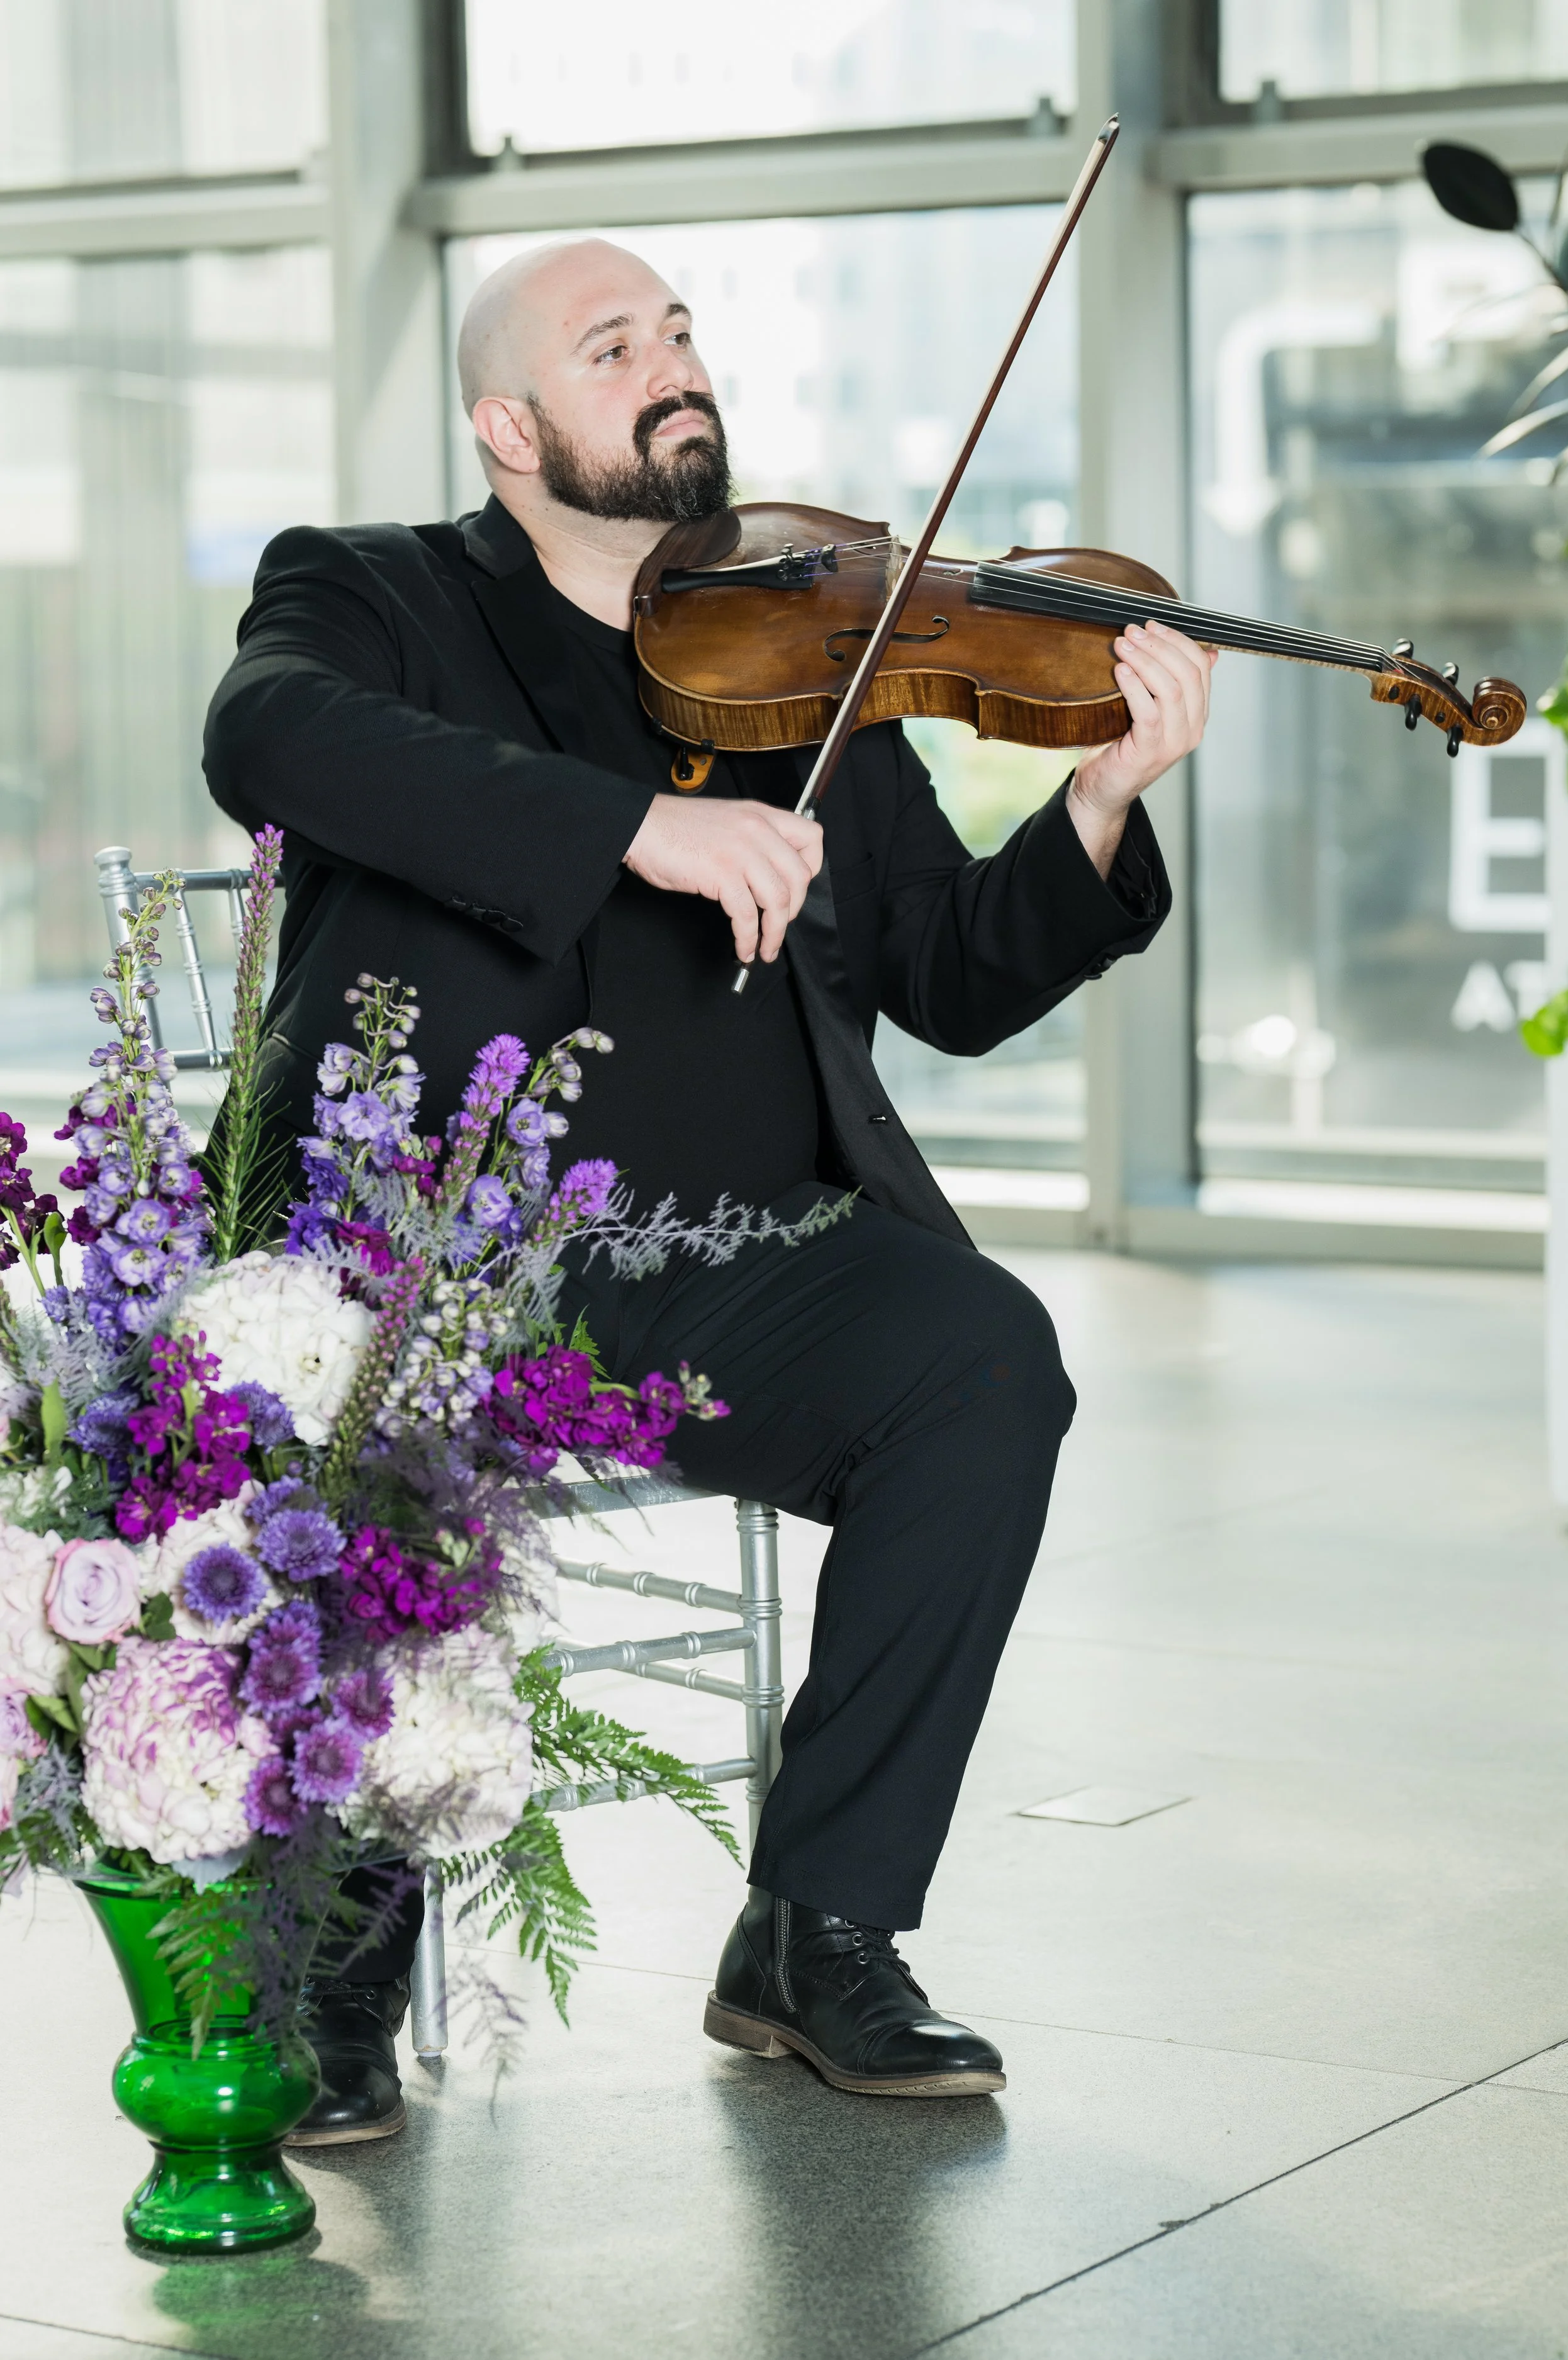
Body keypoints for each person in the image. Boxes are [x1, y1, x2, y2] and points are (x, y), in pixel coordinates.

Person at [203, 237, 1216, 2137]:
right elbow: (266, 738)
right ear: (510, 429)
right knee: (368, 1414)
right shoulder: (378, 592)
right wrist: (636, 827)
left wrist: (1095, 808)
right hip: (436, 1258)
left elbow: (946, 973)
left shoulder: (809, 647)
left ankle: (818, 1926)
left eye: (677, 332)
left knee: (984, 1357)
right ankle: (334, 1947)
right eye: (611, 347)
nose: (670, 366)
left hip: (733, 1263)